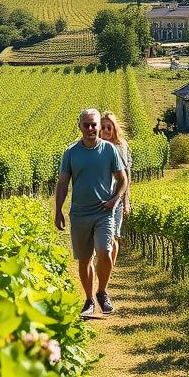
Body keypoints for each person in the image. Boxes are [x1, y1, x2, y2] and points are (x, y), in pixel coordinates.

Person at [54, 107, 127, 317]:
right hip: (79, 214)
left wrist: (115, 200)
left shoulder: (109, 150)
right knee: (84, 259)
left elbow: (123, 179)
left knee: (104, 252)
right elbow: (62, 184)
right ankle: (88, 300)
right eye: (86, 125)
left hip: (103, 212)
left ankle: (102, 291)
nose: (90, 128)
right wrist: (58, 210)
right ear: (80, 127)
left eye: (93, 124)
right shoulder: (70, 152)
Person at [99, 111, 131, 268]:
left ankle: (108, 270)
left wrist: (126, 202)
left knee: (114, 236)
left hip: (116, 199)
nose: (105, 131)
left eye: (108, 127)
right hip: (98, 199)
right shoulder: (95, 146)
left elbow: (126, 177)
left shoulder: (120, 146)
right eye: (102, 127)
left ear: (114, 129)